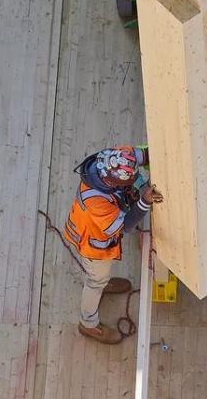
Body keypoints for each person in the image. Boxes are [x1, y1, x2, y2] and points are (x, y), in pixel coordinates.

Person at [63, 146, 162, 344]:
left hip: (97, 227)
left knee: (101, 276)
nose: (134, 180)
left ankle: (104, 283)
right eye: (129, 181)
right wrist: (144, 201)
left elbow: (145, 154)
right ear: (111, 182)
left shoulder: (118, 157)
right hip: (93, 246)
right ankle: (88, 324)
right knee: (95, 280)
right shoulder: (96, 202)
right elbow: (125, 225)